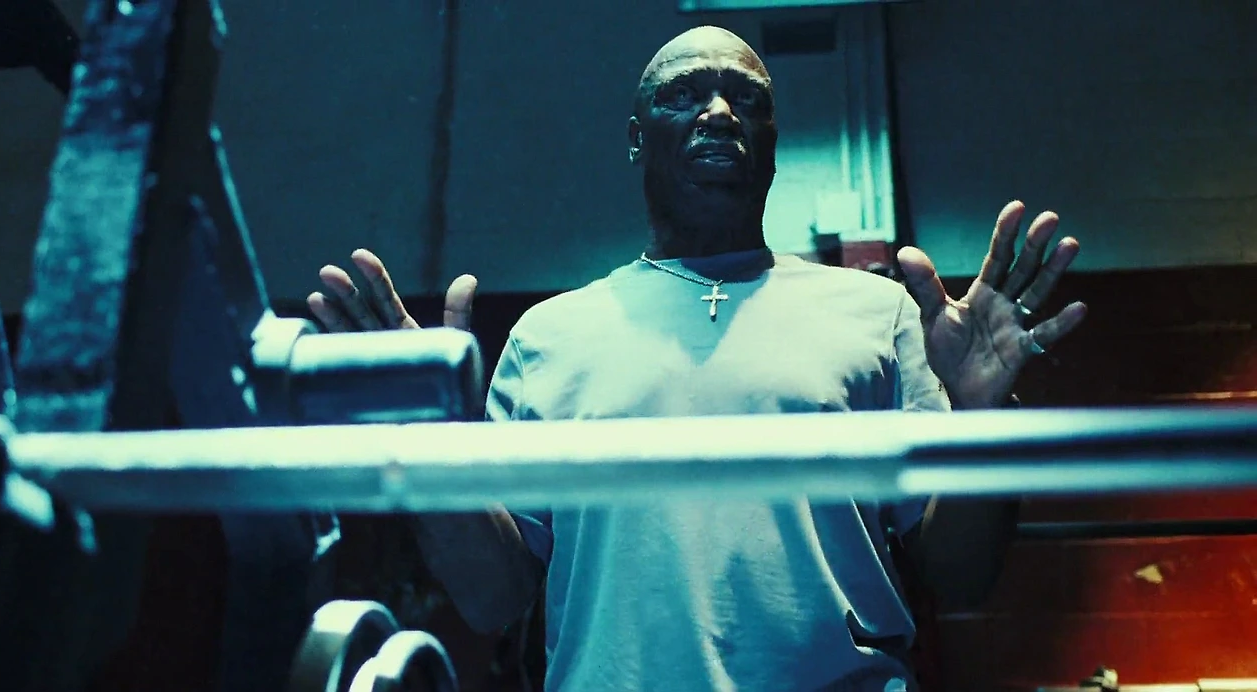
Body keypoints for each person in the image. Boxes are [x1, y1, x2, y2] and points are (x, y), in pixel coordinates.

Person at [308, 26, 1087, 692]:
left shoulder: (878, 315)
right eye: (684, 94)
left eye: (747, 99)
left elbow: (962, 576)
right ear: (636, 137)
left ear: (772, 144)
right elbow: (492, 597)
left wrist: (982, 416)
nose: (719, 112)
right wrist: (432, 449)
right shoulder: (549, 336)